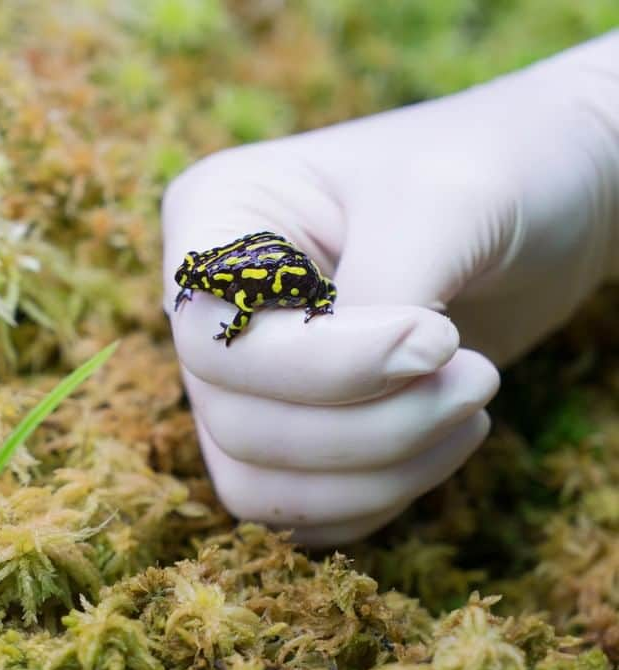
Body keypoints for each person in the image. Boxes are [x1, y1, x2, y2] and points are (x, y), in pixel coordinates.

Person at [162, 31, 619, 547]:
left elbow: (244, 308)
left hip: (299, 281)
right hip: (281, 266)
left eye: (197, 278)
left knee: (322, 309)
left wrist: (603, 116)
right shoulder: (217, 273)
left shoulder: (232, 287)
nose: (194, 282)